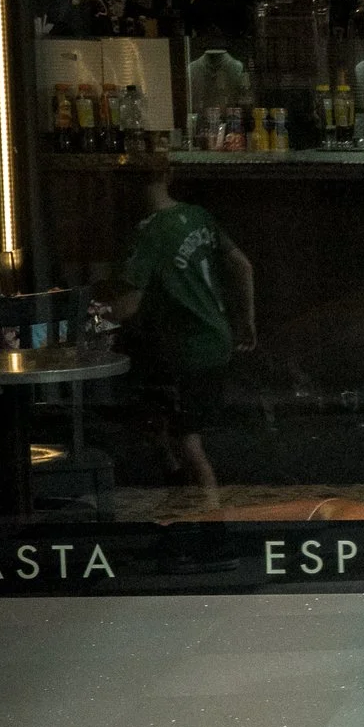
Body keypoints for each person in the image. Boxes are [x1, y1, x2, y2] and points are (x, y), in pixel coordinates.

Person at [115, 160, 256, 510]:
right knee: (166, 424)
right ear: (168, 175)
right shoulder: (198, 216)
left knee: (187, 442)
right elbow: (243, 264)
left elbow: (130, 305)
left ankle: (212, 527)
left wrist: (91, 316)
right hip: (214, 338)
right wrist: (246, 319)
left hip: (186, 347)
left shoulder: (149, 232)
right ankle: (182, 504)